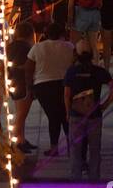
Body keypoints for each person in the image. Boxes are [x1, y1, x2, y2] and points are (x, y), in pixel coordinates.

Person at [63, 41, 113, 179]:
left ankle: (75, 179)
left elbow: (67, 94)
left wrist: (68, 112)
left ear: (77, 55)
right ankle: (94, 179)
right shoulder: (99, 71)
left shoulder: (71, 71)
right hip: (94, 115)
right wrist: (105, 104)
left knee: (75, 149)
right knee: (94, 149)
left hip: (76, 115)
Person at [25, 22, 76, 155]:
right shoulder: (69, 47)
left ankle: (54, 147)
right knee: (66, 115)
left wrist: (30, 88)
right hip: (65, 84)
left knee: (53, 116)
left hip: (43, 85)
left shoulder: (37, 48)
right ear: (61, 33)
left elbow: (28, 69)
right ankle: (72, 146)